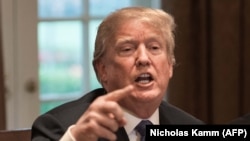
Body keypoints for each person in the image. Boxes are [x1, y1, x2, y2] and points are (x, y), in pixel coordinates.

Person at [31, 6, 204, 141]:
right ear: (102, 70)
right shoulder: (61, 127)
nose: (143, 59)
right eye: (127, 49)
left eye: (154, 48)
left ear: (169, 65)